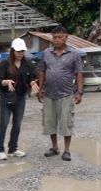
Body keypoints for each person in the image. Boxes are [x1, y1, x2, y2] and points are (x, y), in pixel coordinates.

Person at [35, 26, 83, 161]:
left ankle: (67, 150)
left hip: (66, 94)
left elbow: (79, 73)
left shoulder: (74, 54)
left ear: (66, 37)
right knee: (50, 122)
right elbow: (42, 71)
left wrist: (79, 92)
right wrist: (40, 89)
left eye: (59, 37)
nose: (56, 40)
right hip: (49, 94)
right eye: (54, 37)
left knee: (66, 123)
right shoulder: (46, 53)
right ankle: (55, 147)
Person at [0, 38, 40, 160]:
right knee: (4, 122)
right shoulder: (5, 63)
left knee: (17, 123)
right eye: (18, 51)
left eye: (22, 51)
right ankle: (0, 149)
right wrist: (5, 82)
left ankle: (13, 148)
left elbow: (33, 76)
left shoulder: (27, 63)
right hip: (7, 96)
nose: (20, 53)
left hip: (20, 96)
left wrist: (33, 82)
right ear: (13, 50)